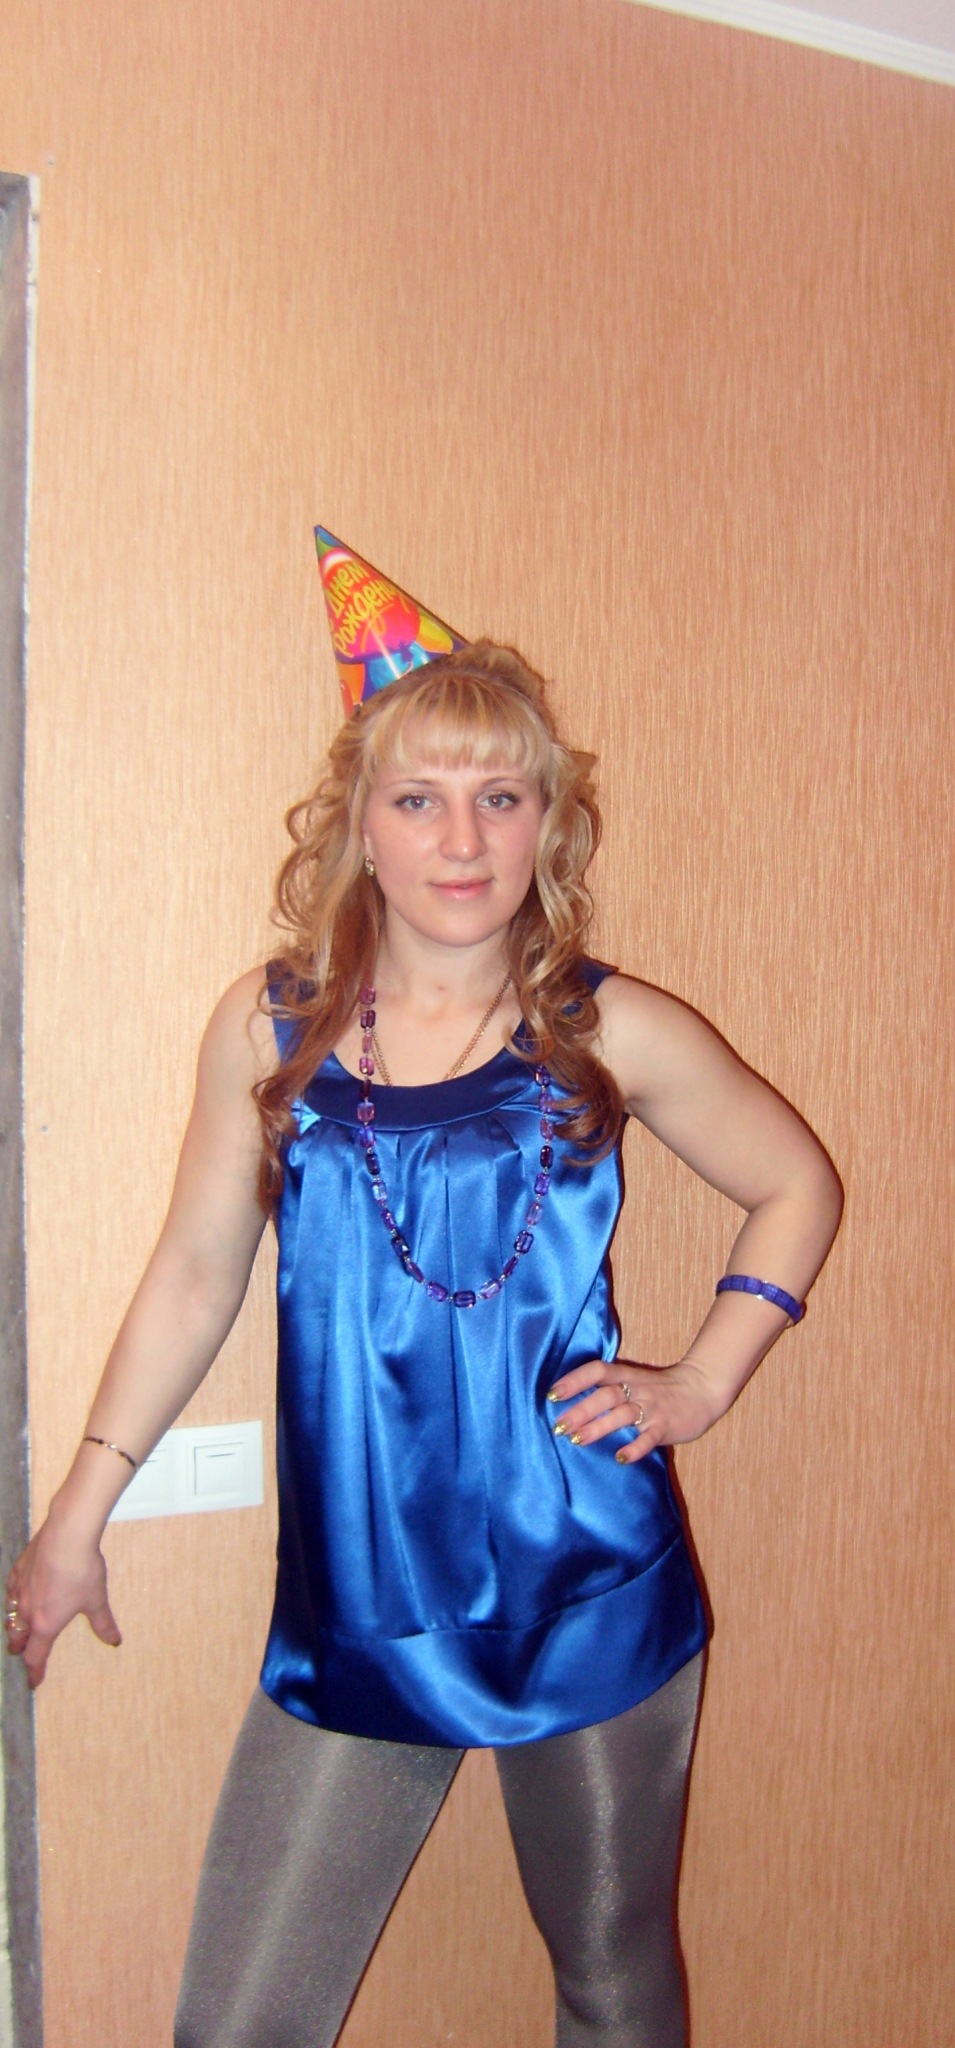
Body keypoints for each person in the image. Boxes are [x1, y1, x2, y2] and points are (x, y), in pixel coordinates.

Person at [6, 640, 842, 2048]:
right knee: (239, 2024)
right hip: (361, 1591)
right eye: (420, 799)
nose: (463, 839)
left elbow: (796, 1184)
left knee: (613, 1983)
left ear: (547, 824)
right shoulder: (271, 1026)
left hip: (586, 1579)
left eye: (500, 798)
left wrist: (704, 1377)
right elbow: (197, 1274)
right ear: (360, 825)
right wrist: (75, 1519)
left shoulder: (605, 1027)